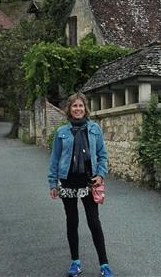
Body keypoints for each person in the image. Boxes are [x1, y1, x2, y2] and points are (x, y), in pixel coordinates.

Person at [48, 92, 113, 277]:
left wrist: (100, 174)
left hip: (88, 181)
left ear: (85, 109)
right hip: (67, 182)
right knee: (72, 221)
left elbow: (102, 154)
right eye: (74, 106)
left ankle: (104, 265)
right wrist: (53, 183)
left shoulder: (94, 129)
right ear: (69, 109)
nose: (78, 109)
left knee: (94, 222)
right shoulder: (61, 132)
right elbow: (55, 158)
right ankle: (75, 262)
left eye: (81, 106)